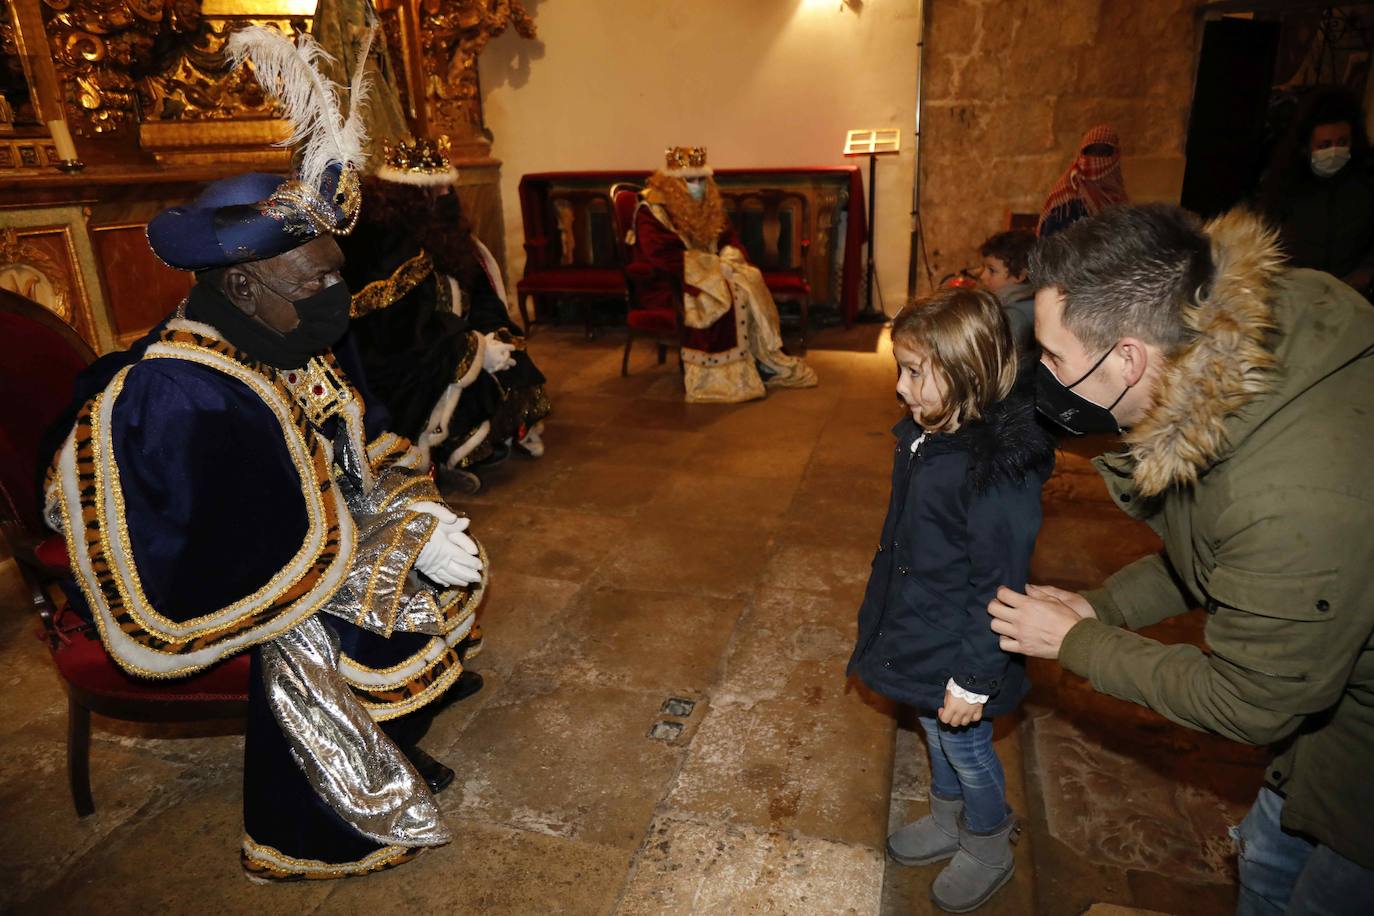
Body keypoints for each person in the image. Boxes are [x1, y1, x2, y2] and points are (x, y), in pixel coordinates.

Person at [41, 26, 487, 880]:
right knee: (369, 618)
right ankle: (318, 812)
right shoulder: (186, 393)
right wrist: (394, 545)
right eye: (315, 281)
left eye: (334, 274)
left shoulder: (285, 335)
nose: (336, 298)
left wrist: (410, 506)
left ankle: (384, 737)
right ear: (243, 284)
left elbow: (357, 446)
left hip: (299, 544)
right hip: (215, 578)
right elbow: (228, 549)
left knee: (430, 567)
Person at [988, 204, 1374, 913]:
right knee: (1264, 863)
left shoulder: (1291, 496)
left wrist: (1078, 642)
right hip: (1321, 726)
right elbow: (1215, 557)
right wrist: (1103, 606)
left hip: (1362, 766)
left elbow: (1251, 698)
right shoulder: (1230, 353)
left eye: (1051, 356)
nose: (1041, 372)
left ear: (1128, 357)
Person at [847, 288, 1055, 913]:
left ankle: (988, 843)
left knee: (965, 745)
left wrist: (972, 679)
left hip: (967, 644)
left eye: (914, 371)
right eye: (900, 370)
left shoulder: (995, 474)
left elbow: (998, 588)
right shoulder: (927, 434)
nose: (900, 387)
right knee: (931, 729)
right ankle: (945, 820)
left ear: (965, 374)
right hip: (921, 622)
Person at [341, 136, 551, 492]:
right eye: (435, 189)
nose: (445, 195)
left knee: (513, 362)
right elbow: (398, 330)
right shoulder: (388, 243)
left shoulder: (445, 235)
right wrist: (475, 348)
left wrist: (493, 334)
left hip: (443, 336)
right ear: (411, 195)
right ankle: (441, 456)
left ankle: (482, 445)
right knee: (468, 377)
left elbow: (475, 292)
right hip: (403, 357)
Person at [631, 145, 818, 403]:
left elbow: (728, 237)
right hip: (669, 282)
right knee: (726, 295)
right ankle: (720, 377)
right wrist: (713, 267)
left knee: (747, 283)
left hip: (706, 271)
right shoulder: (652, 210)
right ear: (672, 183)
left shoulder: (708, 203)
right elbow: (662, 256)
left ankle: (760, 359)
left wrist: (730, 254)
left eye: (701, 179)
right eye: (690, 180)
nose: (697, 185)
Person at [1259, 88, 1374, 296]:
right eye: (1325, 145)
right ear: (1306, 147)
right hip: (1296, 295)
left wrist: (1359, 278)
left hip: (1351, 296)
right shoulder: (1283, 186)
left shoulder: (1365, 184)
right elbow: (1266, 243)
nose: (1334, 152)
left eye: (1342, 143)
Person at [1037, 125, 1128, 238]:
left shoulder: (1116, 193)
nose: (1096, 158)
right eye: (1091, 151)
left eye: (1103, 152)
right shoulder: (1068, 199)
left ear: (1115, 155)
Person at [977, 228, 1038, 365]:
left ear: (1020, 276)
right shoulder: (1016, 303)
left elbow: (1001, 363)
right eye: (983, 268)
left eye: (992, 271)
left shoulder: (1015, 315)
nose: (982, 276)